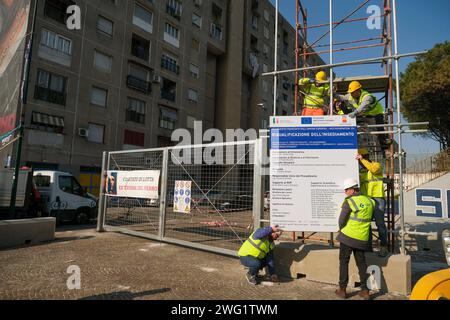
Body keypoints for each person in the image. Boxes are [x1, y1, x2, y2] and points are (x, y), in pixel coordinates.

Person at [335, 178, 375, 300]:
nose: (345, 192)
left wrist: (341, 229)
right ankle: (365, 291)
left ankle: (342, 290)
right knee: (362, 263)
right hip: (362, 238)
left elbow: (341, 220)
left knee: (343, 262)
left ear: (352, 190)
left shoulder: (350, 201)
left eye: (346, 190)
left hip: (348, 237)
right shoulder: (370, 201)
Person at [335, 81, 390, 151]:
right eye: (350, 92)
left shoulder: (367, 97)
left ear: (358, 91)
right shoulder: (350, 96)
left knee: (379, 128)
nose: (350, 94)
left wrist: (355, 112)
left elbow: (363, 106)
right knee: (353, 123)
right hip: (365, 115)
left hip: (376, 114)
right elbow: (342, 98)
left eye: (352, 92)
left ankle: (384, 145)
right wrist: (333, 94)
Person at [357, 148, 389, 257]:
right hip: (366, 200)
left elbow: (374, 170)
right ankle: (368, 247)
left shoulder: (376, 165)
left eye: (360, 158)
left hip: (378, 198)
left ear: (365, 157)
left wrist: (362, 160)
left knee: (380, 224)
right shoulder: (361, 171)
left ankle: (384, 246)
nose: (359, 161)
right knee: (366, 224)